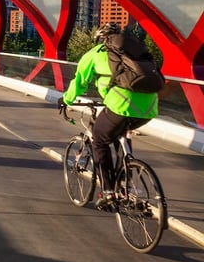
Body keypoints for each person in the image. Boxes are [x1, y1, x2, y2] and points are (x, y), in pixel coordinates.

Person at [59, 23, 159, 209]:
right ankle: (125, 180)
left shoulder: (96, 52)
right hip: (150, 106)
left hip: (121, 103)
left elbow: (79, 82)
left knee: (99, 139)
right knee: (119, 132)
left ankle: (108, 192)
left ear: (101, 39)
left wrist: (66, 99)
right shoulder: (135, 51)